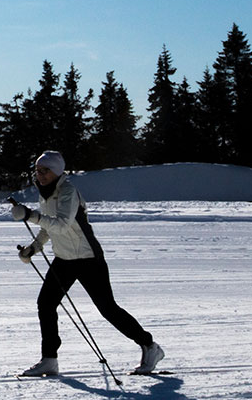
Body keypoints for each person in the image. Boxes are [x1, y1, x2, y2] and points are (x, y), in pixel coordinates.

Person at [13, 149, 165, 377]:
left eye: (45, 170)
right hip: (64, 259)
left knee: (108, 309)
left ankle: (150, 346)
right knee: (46, 304)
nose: (40, 174)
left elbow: (62, 224)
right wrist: (33, 248)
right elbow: (48, 228)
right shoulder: (45, 194)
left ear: (56, 172)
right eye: (38, 170)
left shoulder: (67, 191)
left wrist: (29, 215)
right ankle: (49, 360)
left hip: (88, 259)